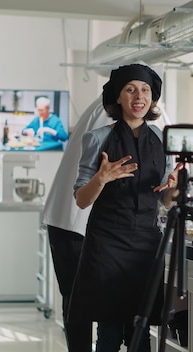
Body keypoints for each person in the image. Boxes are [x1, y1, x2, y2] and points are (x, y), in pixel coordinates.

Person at [68, 63, 181, 352]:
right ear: (118, 97)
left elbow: (164, 202)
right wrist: (102, 178)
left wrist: (175, 189)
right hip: (107, 244)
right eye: (130, 89)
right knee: (108, 333)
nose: (138, 96)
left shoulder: (161, 139)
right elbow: (82, 199)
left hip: (145, 244)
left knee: (140, 333)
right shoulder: (96, 139)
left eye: (145, 90)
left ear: (152, 99)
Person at [42, 96, 112, 351]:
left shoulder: (107, 106)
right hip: (75, 222)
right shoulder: (111, 116)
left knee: (81, 303)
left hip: (73, 220)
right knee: (79, 303)